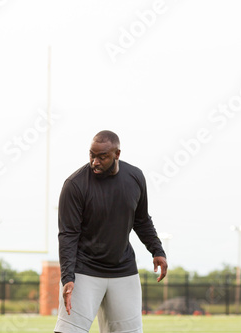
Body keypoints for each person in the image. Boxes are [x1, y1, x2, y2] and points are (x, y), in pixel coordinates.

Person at [54, 130, 167, 333]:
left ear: (117, 154)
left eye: (102, 156)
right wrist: (68, 277)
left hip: (123, 271)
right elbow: (68, 235)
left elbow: (141, 220)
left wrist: (157, 250)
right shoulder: (75, 185)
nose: (95, 162)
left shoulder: (135, 177)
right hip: (84, 271)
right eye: (92, 155)